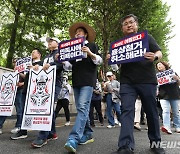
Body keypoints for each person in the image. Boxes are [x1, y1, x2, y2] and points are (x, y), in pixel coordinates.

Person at [108, 14, 165, 154]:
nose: (129, 25)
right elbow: (116, 65)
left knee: (151, 112)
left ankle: (155, 144)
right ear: (122, 28)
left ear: (136, 24)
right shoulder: (119, 44)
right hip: (127, 82)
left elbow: (159, 52)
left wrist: (155, 57)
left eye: (131, 22)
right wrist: (111, 58)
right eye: (126, 23)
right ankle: (125, 146)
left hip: (147, 80)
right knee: (127, 111)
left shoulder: (146, 38)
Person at [64, 22, 102, 153]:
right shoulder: (72, 49)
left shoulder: (92, 45)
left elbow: (99, 61)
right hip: (76, 81)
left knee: (82, 107)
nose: (77, 33)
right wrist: (62, 59)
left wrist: (90, 53)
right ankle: (88, 132)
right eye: (76, 32)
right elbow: (68, 67)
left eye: (80, 31)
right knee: (83, 108)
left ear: (85, 34)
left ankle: (73, 138)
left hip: (88, 81)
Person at [11, 48, 43, 140]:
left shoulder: (42, 63)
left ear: (39, 54)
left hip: (36, 91)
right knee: (25, 110)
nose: (32, 53)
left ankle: (47, 132)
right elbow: (26, 77)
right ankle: (23, 130)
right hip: (26, 89)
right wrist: (19, 72)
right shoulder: (28, 64)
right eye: (31, 52)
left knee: (39, 110)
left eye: (34, 52)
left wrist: (35, 68)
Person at [0, 58, 24, 134]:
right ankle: (0, 126)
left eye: (16, 62)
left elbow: (28, 79)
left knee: (19, 109)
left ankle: (18, 126)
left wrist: (21, 83)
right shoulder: (12, 71)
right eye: (13, 62)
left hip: (19, 91)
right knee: (5, 108)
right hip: (11, 92)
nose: (14, 63)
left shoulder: (24, 70)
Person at [156, 61, 180, 134]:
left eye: (160, 64)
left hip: (174, 94)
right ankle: (167, 127)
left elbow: (179, 82)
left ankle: (177, 126)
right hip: (163, 95)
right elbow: (155, 85)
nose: (159, 66)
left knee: (176, 112)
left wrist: (177, 79)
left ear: (164, 65)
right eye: (157, 65)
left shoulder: (173, 72)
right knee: (166, 111)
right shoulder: (157, 75)